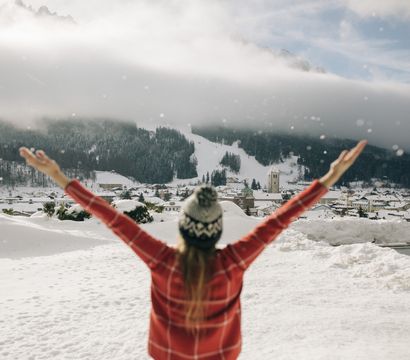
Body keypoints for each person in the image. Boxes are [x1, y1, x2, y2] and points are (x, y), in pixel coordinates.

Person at [19, 139, 367, 360]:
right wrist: (329, 178)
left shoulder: (162, 259)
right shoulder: (234, 260)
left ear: (184, 226)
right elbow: (281, 218)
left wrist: (60, 177)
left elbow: (110, 216)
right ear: (215, 231)